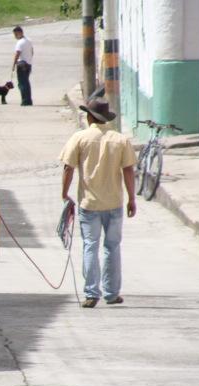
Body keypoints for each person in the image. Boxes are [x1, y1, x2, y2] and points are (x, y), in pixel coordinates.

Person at [59, 98, 137, 308]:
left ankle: (92, 293)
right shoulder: (120, 140)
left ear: (90, 116)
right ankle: (111, 294)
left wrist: (65, 194)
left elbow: (68, 167)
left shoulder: (80, 138)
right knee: (112, 247)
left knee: (90, 246)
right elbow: (128, 169)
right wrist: (132, 198)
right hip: (114, 204)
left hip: (89, 204)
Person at [12, 25, 34, 106]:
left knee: (22, 83)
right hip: (28, 64)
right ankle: (29, 100)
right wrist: (30, 60)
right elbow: (32, 52)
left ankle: (25, 101)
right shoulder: (29, 40)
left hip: (21, 64)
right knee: (26, 82)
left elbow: (17, 54)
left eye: (15, 34)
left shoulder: (19, 42)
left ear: (19, 33)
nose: (15, 36)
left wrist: (14, 64)